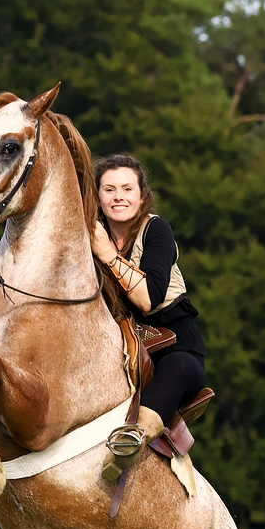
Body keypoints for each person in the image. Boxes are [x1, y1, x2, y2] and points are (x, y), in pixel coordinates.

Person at [92, 155, 206, 481]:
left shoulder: (156, 229)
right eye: (109, 189)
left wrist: (106, 253)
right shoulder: (90, 237)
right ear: (97, 197)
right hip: (116, 351)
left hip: (176, 350)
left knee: (180, 367)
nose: (118, 197)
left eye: (128, 188)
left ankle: (130, 442)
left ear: (142, 196)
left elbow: (147, 298)